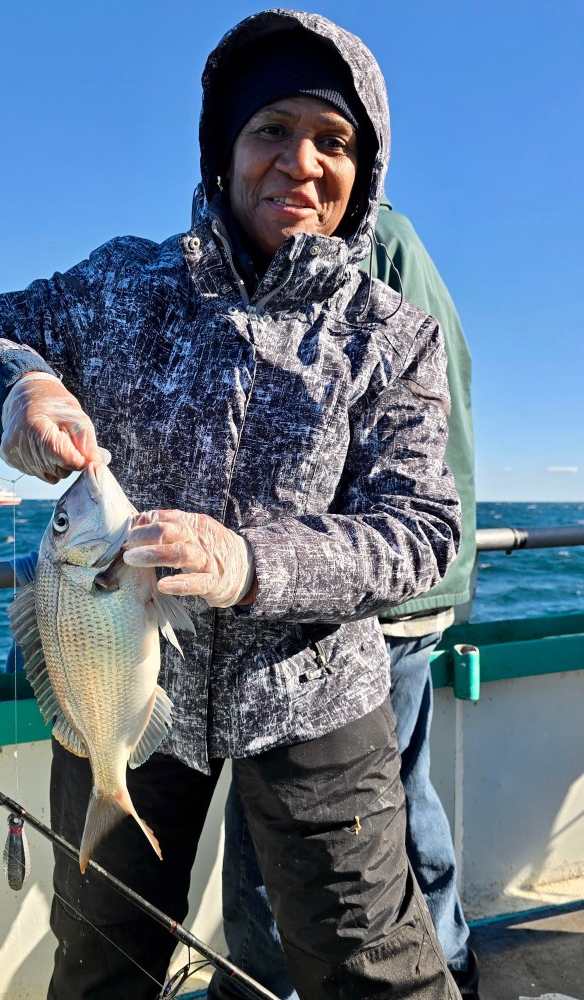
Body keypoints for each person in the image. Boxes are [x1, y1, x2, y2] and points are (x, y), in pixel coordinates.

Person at [0, 10, 463, 999]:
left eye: (332, 141)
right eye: (270, 131)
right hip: (117, 691)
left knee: (372, 969)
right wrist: (17, 388)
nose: (300, 162)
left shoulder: (390, 336)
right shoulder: (122, 283)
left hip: (314, 697)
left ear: (362, 170)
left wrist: (251, 563)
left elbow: (419, 532)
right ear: (222, 149)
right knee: (101, 964)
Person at [207, 196, 479, 1000]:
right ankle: (451, 962)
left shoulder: (359, 242)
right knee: (400, 794)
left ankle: (261, 990)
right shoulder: (411, 247)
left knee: (281, 830)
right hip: (424, 580)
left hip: (361, 586)